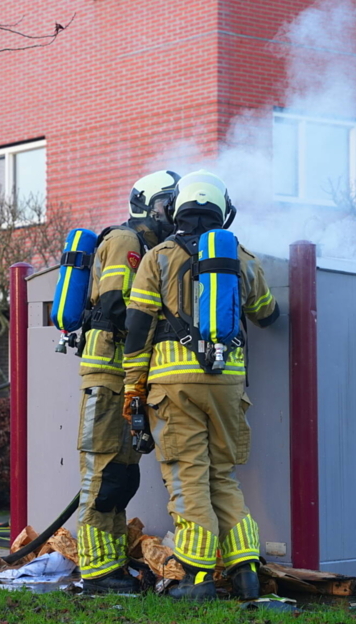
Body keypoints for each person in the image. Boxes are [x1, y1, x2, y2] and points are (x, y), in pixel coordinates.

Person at [122, 171, 280, 600]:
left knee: (187, 477)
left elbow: (137, 329)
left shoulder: (158, 257)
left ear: (177, 210)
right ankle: (246, 570)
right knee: (223, 477)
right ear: (223, 212)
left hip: (174, 388)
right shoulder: (241, 257)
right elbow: (268, 312)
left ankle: (194, 577)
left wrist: (133, 389)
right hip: (228, 384)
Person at [76, 170, 181, 593]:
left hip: (129, 378)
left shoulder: (153, 248)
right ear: (152, 204)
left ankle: (112, 562)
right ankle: (96, 570)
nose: (172, 212)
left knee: (122, 476)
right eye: (168, 203)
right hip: (107, 375)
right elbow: (118, 305)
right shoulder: (125, 241)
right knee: (101, 473)